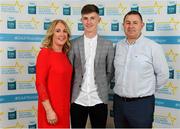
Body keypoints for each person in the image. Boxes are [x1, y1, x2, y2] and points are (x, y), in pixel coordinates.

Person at [113, 11, 169, 128]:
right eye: (128, 23)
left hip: (142, 105)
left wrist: (146, 91)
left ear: (142, 25)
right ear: (123, 25)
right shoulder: (117, 46)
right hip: (119, 104)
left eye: (135, 23)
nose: (131, 26)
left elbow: (163, 75)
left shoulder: (153, 47)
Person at [68, 4, 114, 128]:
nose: (89, 22)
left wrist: (101, 84)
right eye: (85, 18)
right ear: (81, 20)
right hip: (78, 99)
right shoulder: (73, 44)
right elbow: (69, 72)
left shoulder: (108, 44)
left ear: (99, 20)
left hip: (99, 99)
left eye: (92, 18)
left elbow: (110, 72)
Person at [35, 19, 72, 128]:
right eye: (58, 31)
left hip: (64, 110)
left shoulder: (65, 55)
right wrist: (49, 110)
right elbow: (40, 84)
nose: (62, 34)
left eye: (65, 31)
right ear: (51, 34)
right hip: (50, 110)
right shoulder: (45, 53)